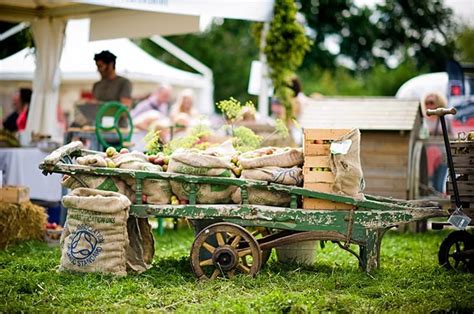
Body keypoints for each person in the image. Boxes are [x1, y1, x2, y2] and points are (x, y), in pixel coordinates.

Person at [421, 92, 452, 193]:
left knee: (438, 185)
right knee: (427, 184)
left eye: (431, 102)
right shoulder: (422, 120)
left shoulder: (446, 119)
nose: (428, 105)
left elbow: (452, 136)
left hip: (442, 156)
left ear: (438, 103)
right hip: (425, 157)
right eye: (426, 103)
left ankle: (438, 206)